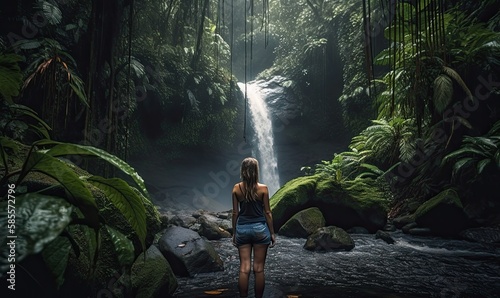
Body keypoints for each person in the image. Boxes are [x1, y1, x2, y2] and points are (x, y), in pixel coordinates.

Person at [232, 157, 276, 298]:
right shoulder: (263, 189)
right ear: (256, 170)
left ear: (243, 171)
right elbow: (267, 212)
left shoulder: (236, 188)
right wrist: (272, 233)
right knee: (259, 269)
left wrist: (234, 233)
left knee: (244, 269)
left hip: (243, 230)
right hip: (260, 230)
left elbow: (235, 213)